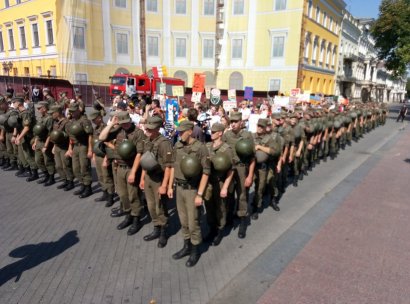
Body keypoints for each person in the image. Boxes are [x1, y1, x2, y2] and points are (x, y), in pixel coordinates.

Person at [168, 120, 210, 267]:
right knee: (184, 221)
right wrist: (169, 186)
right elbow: (173, 166)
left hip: (192, 190)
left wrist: (199, 194)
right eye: (178, 132)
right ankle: (186, 246)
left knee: (194, 223)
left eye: (181, 132)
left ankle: (195, 250)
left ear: (190, 131)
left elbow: (206, 172)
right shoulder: (178, 145)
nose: (179, 134)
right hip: (179, 188)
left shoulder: (200, 148)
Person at [99, 111, 146, 235]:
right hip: (119, 167)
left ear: (130, 120)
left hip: (131, 168)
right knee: (123, 194)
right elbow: (102, 138)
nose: (124, 125)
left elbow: (139, 154)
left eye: (126, 122)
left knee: (133, 195)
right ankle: (128, 215)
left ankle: (136, 219)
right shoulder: (118, 130)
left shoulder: (138, 133)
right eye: (122, 123)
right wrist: (111, 125)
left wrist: (133, 172)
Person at [140, 115, 173, 248]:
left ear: (158, 128)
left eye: (151, 128)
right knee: (151, 205)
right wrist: (142, 178)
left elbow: (169, 166)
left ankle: (164, 232)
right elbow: (145, 160)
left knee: (160, 206)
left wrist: (164, 185)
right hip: (148, 177)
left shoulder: (164, 143)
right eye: (147, 127)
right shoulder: (147, 141)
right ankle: (156, 227)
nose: (147, 130)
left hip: (159, 179)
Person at [222, 111, 255, 239]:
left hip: (242, 169)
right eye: (232, 122)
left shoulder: (247, 135)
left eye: (236, 122)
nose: (233, 124)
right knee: (229, 194)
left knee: (242, 195)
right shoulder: (227, 135)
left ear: (241, 122)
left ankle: (242, 221)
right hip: (230, 169)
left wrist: (250, 176)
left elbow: (252, 158)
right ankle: (229, 218)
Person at [204, 122, 234, 246]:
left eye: (213, 132)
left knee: (220, 208)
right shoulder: (207, 146)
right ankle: (212, 229)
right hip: (208, 183)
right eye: (211, 131)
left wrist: (225, 187)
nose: (211, 134)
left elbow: (231, 170)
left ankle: (220, 231)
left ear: (220, 133)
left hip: (220, 182)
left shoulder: (226, 149)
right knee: (209, 207)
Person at [66, 103, 94, 198]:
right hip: (75, 146)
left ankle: (88, 188)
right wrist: (70, 148)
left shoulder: (84, 121)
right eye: (71, 112)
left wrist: (90, 149)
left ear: (78, 110)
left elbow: (90, 135)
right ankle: (82, 184)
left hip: (83, 146)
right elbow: (71, 135)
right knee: (76, 168)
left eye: (74, 111)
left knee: (84, 167)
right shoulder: (72, 121)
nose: (72, 113)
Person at [88, 109, 115, 206]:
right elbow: (95, 143)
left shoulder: (106, 128)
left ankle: (110, 196)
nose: (92, 121)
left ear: (99, 118)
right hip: (98, 156)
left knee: (107, 177)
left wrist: (107, 158)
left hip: (104, 156)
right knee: (100, 176)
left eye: (94, 119)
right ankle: (105, 193)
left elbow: (109, 145)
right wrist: (94, 155)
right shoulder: (96, 129)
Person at [28, 101, 56, 185]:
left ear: (44, 108)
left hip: (45, 142)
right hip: (39, 141)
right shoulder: (41, 118)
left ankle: (51, 178)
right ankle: (46, 175)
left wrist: (46, 145)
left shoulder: (49, 118)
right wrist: (35, 142)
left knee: (48, 161)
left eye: (39, 108)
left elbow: (50, 133)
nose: (38, 109)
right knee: (38, 160)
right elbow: (37, 132)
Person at [49, 105, 75, 191]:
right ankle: (64, 180)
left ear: (57, 113)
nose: (51, 115)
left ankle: (70, 181)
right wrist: (54, 146)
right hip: (57, 146)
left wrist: (70, 148)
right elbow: (55, 136)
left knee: (66, 165)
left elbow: (71, 137)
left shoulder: (67, 123)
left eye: (52, 113)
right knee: (58, 165)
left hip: (64, 147)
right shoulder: (56, 122)